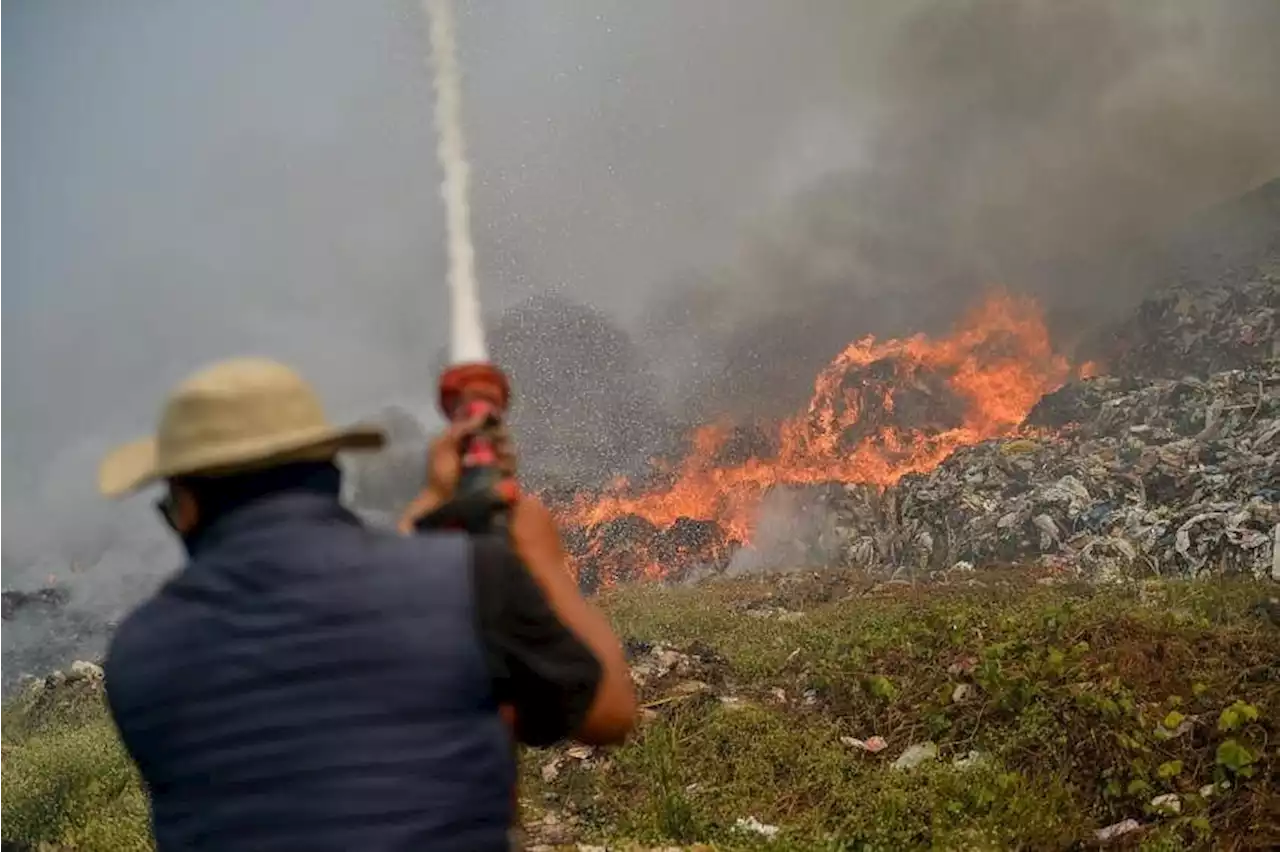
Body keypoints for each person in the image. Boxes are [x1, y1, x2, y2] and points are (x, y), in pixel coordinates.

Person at [99, 357, 636, 852]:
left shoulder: (137, 655)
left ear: (187, 505)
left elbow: (336, 652)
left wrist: (430, 503)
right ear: (330, 471)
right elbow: (608, 711)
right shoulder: (465, 579)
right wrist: (538, 551)